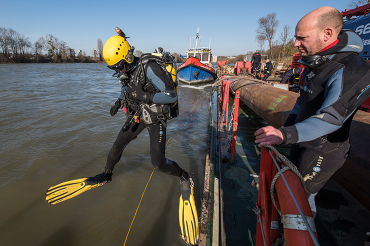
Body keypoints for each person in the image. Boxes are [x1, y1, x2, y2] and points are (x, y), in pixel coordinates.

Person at [45, 29, 198, 245]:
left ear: (126, 57)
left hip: (155, 118)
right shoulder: (126, 71)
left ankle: (184, 176)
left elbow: (171, 94)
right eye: (114, 68)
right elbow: (127, 89)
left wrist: (145, 96)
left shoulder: (149, 67)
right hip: (139, 115)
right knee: (117, 146)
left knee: (158, 163)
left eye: (118, 66)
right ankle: (107, 174)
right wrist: (119, 102)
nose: (118, 71)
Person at [254, 6, 370, 215]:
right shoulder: (314, 62)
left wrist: (284, 135)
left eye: (301, 38)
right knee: (286, 193)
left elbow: (331, 118)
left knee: (300, 203)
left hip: (324, 149)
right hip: (301, 140)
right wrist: (284, 129)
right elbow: (303, 101)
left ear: (327, 34)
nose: (295, 43)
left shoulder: (352, 70)